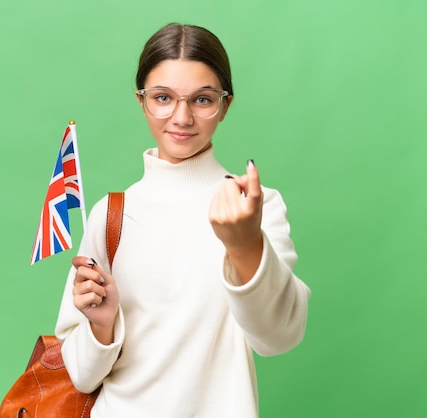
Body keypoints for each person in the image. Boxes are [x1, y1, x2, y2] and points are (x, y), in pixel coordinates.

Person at [55, 23, 311, 418]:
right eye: (162, 97)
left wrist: (244, 246)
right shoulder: (110, 214)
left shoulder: (253, 206)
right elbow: (82, 377)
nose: (181, 116)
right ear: (142, 101)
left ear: (225, 105)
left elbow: (279, 337)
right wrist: (101, 327)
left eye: (202, 100)